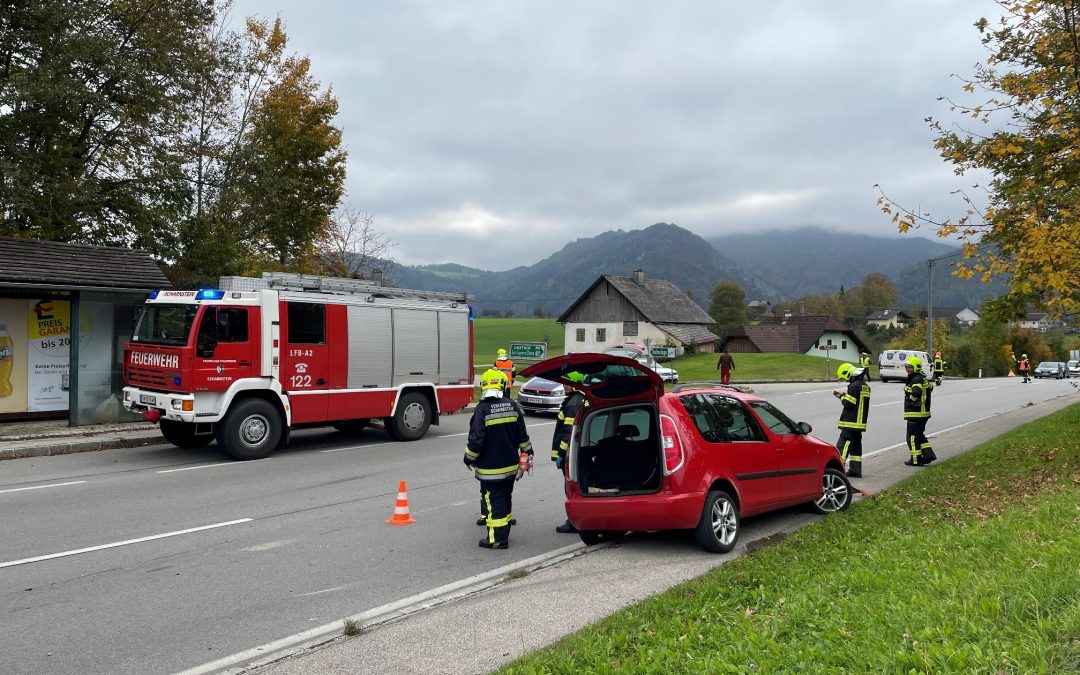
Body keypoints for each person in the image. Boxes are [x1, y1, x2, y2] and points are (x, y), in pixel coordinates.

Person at [465, 368, 533, 549]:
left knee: (494, 500)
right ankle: (504, 529)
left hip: (490, 470)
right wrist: (528, 453)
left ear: (483, 385)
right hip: (510, 467)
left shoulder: (481, 410)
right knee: (505, 497)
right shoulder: (512, 405)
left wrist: (468, 458)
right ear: (503, 385)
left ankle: (497, 539)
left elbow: (475, 441)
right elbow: (522, 436)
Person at [552, 371, 588, 534]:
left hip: (569, 456)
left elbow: (567, 433)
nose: (564, 385)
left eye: (567, 383)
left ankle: (574, 522)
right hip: (574, 454)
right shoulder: (577, 399)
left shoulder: (573, 403)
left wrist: (561, 454)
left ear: (575, 384)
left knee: (571, 488)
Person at [833, 362, 870, 478]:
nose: (846, 381)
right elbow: (857, 401)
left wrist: (841, 396)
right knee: (856, 447)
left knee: (843, 446)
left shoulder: (854, 386)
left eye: (845, 378)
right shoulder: (864, 385)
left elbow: (849, 403)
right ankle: (855, 470)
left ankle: (838, 471)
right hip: (859, 423)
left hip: (851, 423)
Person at [902, 355, 937, 467]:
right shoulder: (923, 378)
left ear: (916, 367)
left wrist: (909, 394)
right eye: (906, 367)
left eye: (910, 367)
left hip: (916, 414)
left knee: (911, 437)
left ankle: (915, 459)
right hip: (923, 413)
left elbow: (916, 393)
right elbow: (930, 388)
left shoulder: (916, 379)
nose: (908, 369)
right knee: (919, 435)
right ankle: (928, 455)